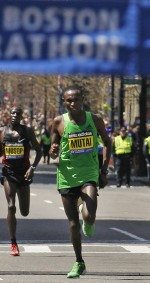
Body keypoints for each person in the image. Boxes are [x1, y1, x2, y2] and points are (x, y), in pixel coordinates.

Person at [49, 86, 111, 278]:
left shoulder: (95, 119)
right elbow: (53, 147)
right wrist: (52, 151)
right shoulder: (59, 122)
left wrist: (103, 169)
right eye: (68, 100)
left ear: (83, 99)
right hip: (67, 175)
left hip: (89, 173)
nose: (72, 103)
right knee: (73, 223)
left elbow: (108, 143)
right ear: (64, 102)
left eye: (76, 99)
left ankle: (88, 219)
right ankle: (79, 262)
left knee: (89, 216)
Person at [0, 106, 42, 256]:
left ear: (21, 116)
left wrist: (33, 167)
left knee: (25, 212)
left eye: (18, 113)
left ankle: (14, 239)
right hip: (9, 173)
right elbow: (1, 151)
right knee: (11, 206)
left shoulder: (27, 131)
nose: (15, 115)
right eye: (13, 113)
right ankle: (13, 243)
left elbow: (39, 150)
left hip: (24, 173)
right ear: (9, 115)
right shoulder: (2, 131)